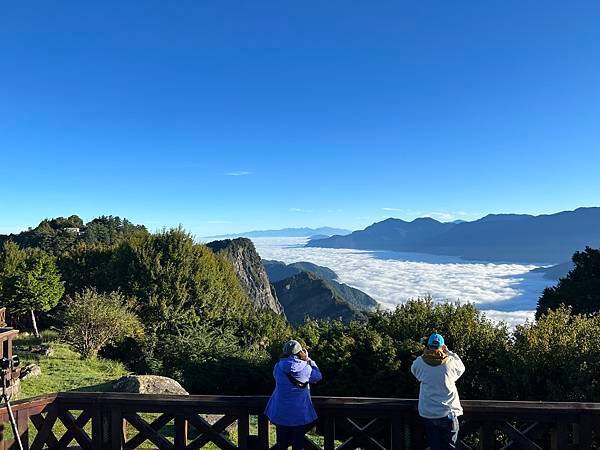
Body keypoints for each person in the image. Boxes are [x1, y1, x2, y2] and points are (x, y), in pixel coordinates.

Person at [411, 332, 465, 450]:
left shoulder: (420, 362)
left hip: (428, 413)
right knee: (452, 447)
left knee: (434, 447)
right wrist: (449, 352)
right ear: (442, 346)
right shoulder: (450, 362)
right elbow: (462, 367)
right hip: (448, 413)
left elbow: (414, 371)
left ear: (428, 346)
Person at [265, 340, 323, 450]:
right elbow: (318, 376)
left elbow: (276, 378)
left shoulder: (277, 367)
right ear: (300, 352)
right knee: (298, 445)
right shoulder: (306, 368)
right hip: (299, 414)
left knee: (281, 444)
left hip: (281, 412)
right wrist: (308, 360)